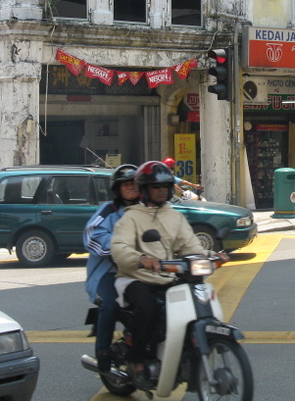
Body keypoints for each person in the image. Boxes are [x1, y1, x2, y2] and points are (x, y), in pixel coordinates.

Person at [111, 161, 206, 389]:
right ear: (144, 189)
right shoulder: (131, 217)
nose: (162, 190)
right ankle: (136, 362)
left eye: (165, 186)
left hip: (167, 277)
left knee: (191, 306)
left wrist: (210, 257)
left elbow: (190, 245)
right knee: (148, 308)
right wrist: (140, 258)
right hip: (135, 278)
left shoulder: (175, 216)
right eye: (156, 186)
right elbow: (119, 247)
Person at [83, 163, 140, 373]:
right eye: (126, 184)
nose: (130, 187)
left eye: (134, 183)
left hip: (140, 271)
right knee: (111, 304)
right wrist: (118, 248)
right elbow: (91, 235)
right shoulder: (109, 210)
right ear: (118, 189)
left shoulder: (147, 209)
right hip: (109, 273)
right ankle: (104, 352)